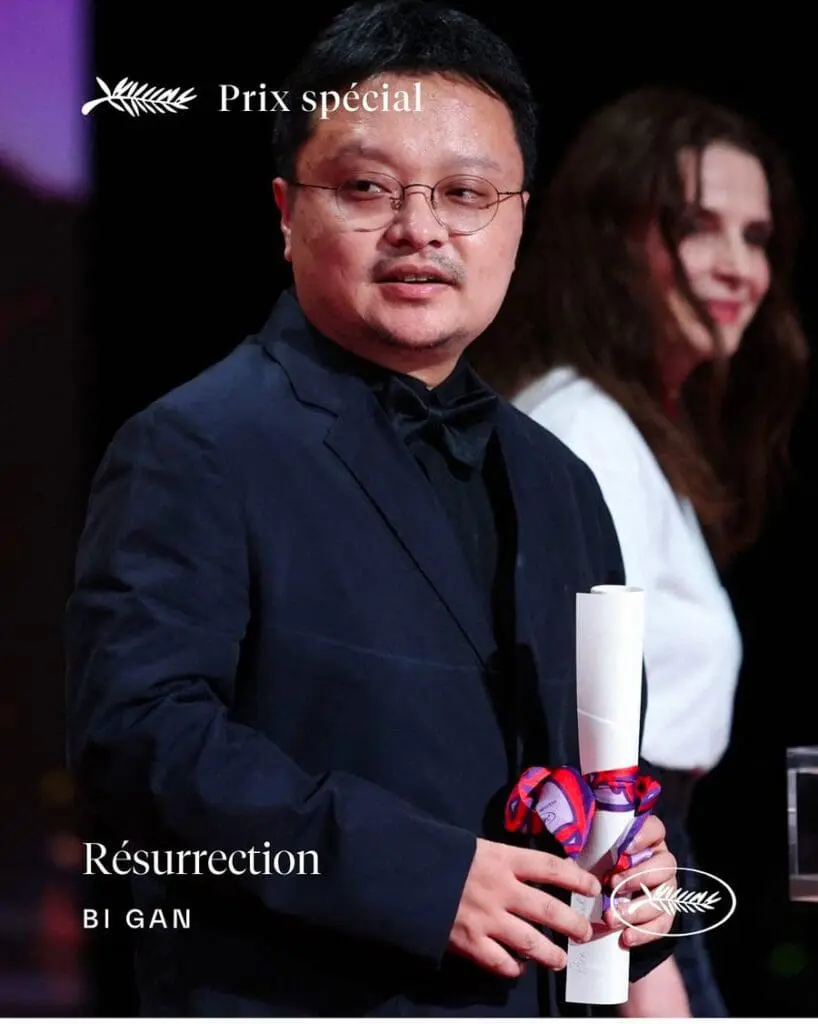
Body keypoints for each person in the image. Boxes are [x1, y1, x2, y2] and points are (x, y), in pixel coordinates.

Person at [64, 4, 679, 1016]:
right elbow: (137, 745)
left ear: (518, 217)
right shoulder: (196, 443)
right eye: (365, 188)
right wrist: (424, 876)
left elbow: (598, 769)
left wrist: (632, 854)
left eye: (465, 193)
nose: (421, 229)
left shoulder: (561, 479)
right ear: (283, 210)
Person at [471, 87, 809, 1016]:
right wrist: (640, 977)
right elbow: (573, 734)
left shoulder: (630, 429)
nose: (740, 266)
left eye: (757, 236)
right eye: (700, 227)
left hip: (648, 870)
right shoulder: (586, 430)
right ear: (614, 238)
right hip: (618, 882)